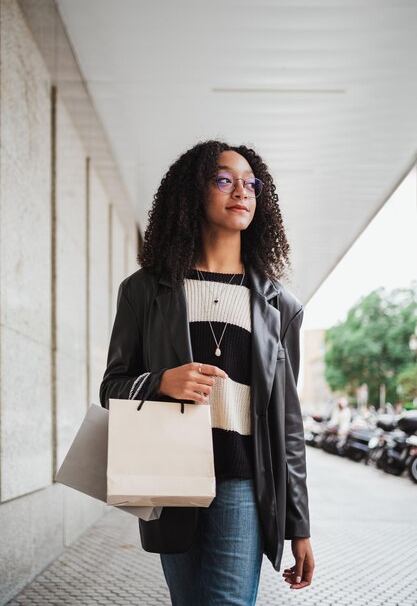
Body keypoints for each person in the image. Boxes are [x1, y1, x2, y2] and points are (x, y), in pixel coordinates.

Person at [100, 140, 315, 605]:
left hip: (242, 483)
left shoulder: (282, 307)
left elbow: (288, 427)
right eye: (224, 180)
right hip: (171, 477)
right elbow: (111, 388)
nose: (241, 191)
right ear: (193, 193)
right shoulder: (144, 291)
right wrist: (159, 382)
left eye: (250, 183)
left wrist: (298, 526)